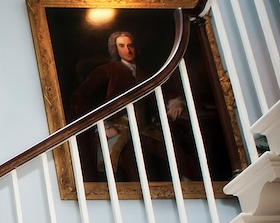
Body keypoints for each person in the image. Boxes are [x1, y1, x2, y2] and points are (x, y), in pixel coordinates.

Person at [69, 30, 200, 181]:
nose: (127, 50)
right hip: (117, 130)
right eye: (122, 46)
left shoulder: (146, 73)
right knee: (132, 166)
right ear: (115, 49)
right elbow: (79, 96)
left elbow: (167, 93)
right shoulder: (107, 70)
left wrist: (176, 103)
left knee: (178, 157)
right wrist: (102, 126)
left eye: (130, 45)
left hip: (144, 129)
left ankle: (190, 185)